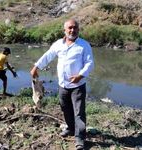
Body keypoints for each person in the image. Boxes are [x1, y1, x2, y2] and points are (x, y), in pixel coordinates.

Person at [30, 19, 94, 150]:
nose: (72, 30)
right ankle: (71, 129)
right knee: (65, 109)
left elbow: (89, 63)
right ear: (64, 30)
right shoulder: (58, 44)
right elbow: (48, 56)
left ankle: (80, 137)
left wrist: (80, 76)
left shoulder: (84, 45)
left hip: (78, 85)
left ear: (78, 30)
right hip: (63, 85)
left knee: (79, 112)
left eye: (75, 28)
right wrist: (36, 66)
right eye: (70, 28)